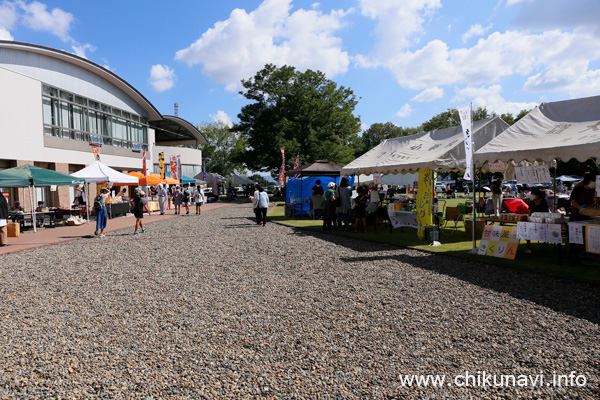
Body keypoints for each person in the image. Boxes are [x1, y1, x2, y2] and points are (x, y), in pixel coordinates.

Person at [525, 188, 550, 254]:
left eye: (532, 194)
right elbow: (530, 212)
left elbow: (546, 213)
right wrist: (529, 218)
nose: (530, 195)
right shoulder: (532, 202)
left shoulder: (543, 202)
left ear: (537, 196)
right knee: (526, 229)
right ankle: (528, 247)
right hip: (533, 221)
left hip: (542, 222)